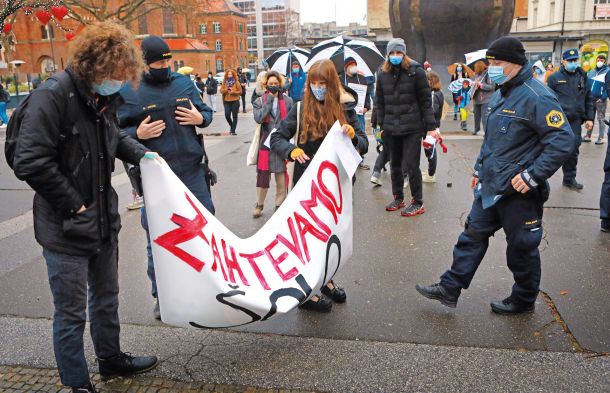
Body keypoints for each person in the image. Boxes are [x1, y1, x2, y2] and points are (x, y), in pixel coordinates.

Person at [11, 21, 160, 393]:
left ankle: (110, 359)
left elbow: (112, 137)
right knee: (71, 313)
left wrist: (145, 156)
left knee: (107, 297)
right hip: (66, 225)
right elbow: (30, 161)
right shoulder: (53, 96)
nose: (120, 82)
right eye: (115, 75)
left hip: (102, 220)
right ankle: (76, 383)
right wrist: (74, 204)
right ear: (95, 65)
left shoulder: (102, 97)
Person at [416, 36, 573, 315]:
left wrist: (532, 176)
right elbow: (493, 141)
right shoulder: (502, 92)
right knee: (472, 235)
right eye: (490, 63)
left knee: (521, 249)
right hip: (491, 185)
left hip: (520, 191)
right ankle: (449, 288)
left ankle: (523, 300)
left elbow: (562, 141)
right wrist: (479, 168)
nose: (492, 68)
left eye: (497, 63)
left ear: (515, 63)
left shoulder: (538, 96)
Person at [117, 35, 215, 320]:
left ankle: (206, 285)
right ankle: (162, 295)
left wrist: (201, 119)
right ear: (144, 64)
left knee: (204, 230)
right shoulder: (129, 91)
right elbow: (114, 134)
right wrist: (137, 134)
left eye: (167, 61)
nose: (165, 66)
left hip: (193, 171)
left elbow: (206, 113)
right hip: (157, 177)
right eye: (159, 62)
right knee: (159, 239)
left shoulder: (184, 83)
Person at [271, 59, 368, 312]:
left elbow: (364, 144)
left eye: (322, 83)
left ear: (331, 84)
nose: (317, 88)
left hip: (337, 188)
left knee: (332, 237)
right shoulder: (301, 107)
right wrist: (292, 151)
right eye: (313, 83)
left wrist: (353, 135)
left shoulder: (346, 107)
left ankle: (326, 280)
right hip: (308, 188)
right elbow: (277, 137)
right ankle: (307, 292)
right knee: (310, 239)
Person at [376, 38, 437, 217]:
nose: (395, 56)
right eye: (392, 53)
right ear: (387, 54)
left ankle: (417, 202)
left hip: (412, 127)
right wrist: (380, 125)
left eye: (398, 52)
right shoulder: (382, 73)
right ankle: (398, 197)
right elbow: (380, 102)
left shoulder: (416, 71)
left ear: (404, 53)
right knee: (394, 164)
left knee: (411, 165)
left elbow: (425, 102)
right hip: (390, 127)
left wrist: (431, 126)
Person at [547, 49, 595, 191]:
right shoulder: (554, 78)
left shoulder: (582, 76)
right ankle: (540, 178)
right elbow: (548, 100)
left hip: (575, 121)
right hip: (557, 120)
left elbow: (589, 99)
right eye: (570, 60)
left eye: (575, 60)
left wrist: (589, 118)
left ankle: (569, 178)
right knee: (552, 149)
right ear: (563, 61)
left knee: (573, 150)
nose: (573, 63)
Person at [252, 71, 293, 218]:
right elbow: (259, 118)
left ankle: (279, 205)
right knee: (263, 177)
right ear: (266, 85)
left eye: (276, 84)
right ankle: (259, 204)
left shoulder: (288, 101)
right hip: (266, 144)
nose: (274, 86)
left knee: (281, 176)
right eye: (271, 84)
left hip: (281, 143)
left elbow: (292, 122)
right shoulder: (259, 101)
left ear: (280, 84)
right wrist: (269, 100)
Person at [342, 56, 374, 170]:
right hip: (347, 112)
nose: (353, 67)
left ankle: (360, 158)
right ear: (346, 67)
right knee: (347, 134)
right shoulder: (341, 79)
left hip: (359, 113)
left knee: (360, 134)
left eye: (354, 65)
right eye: (350, 65)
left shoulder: (361, 78)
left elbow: (367, 93)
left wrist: (367, 106)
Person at [423, 71, 444, 183]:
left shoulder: (433, 94)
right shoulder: (438, 93)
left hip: (429, 127)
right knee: (430, 150)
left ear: (431, 81)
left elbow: (432, 110)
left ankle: (431, 175)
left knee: (430, 151)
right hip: (433, 126)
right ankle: (430, 172)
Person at [586, 54, 608, 144]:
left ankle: (601, 137)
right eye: (598, 60)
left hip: (600, 100)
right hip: (591, 98)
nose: (600, 62)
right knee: (590, 117)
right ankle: (588, 135)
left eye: (602, 61)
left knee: (600, 118)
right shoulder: (591, 71)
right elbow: (587, 85)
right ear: (596, 60)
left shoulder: (608, 72)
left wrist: (603, 97)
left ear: (604, 62)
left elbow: (609, 87)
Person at [471, 61, 495, 135]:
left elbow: (491, 87)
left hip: (486, 99)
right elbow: (475, 86)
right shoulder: (476, 75)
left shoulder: (488, 74)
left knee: (485, 117)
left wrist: (481, 85)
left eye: (476, 68)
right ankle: (476, 129)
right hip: (476, 99)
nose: (475, 69)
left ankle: (486, 132)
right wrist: (473, 84)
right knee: (476, 116)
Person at [220, 69, 242, 135]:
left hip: (235, 101)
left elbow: (240, 92)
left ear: (233, 75)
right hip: (226, 101)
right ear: (226, 75)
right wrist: (226, 89)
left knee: (235, 116)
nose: (229, 75)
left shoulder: (236, 82)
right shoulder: (224, 82)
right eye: (228, 74)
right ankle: (232, 126)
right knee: (227, 115)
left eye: (231, 74)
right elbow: (221, 90)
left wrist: (233, 92)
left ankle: (233, 130)